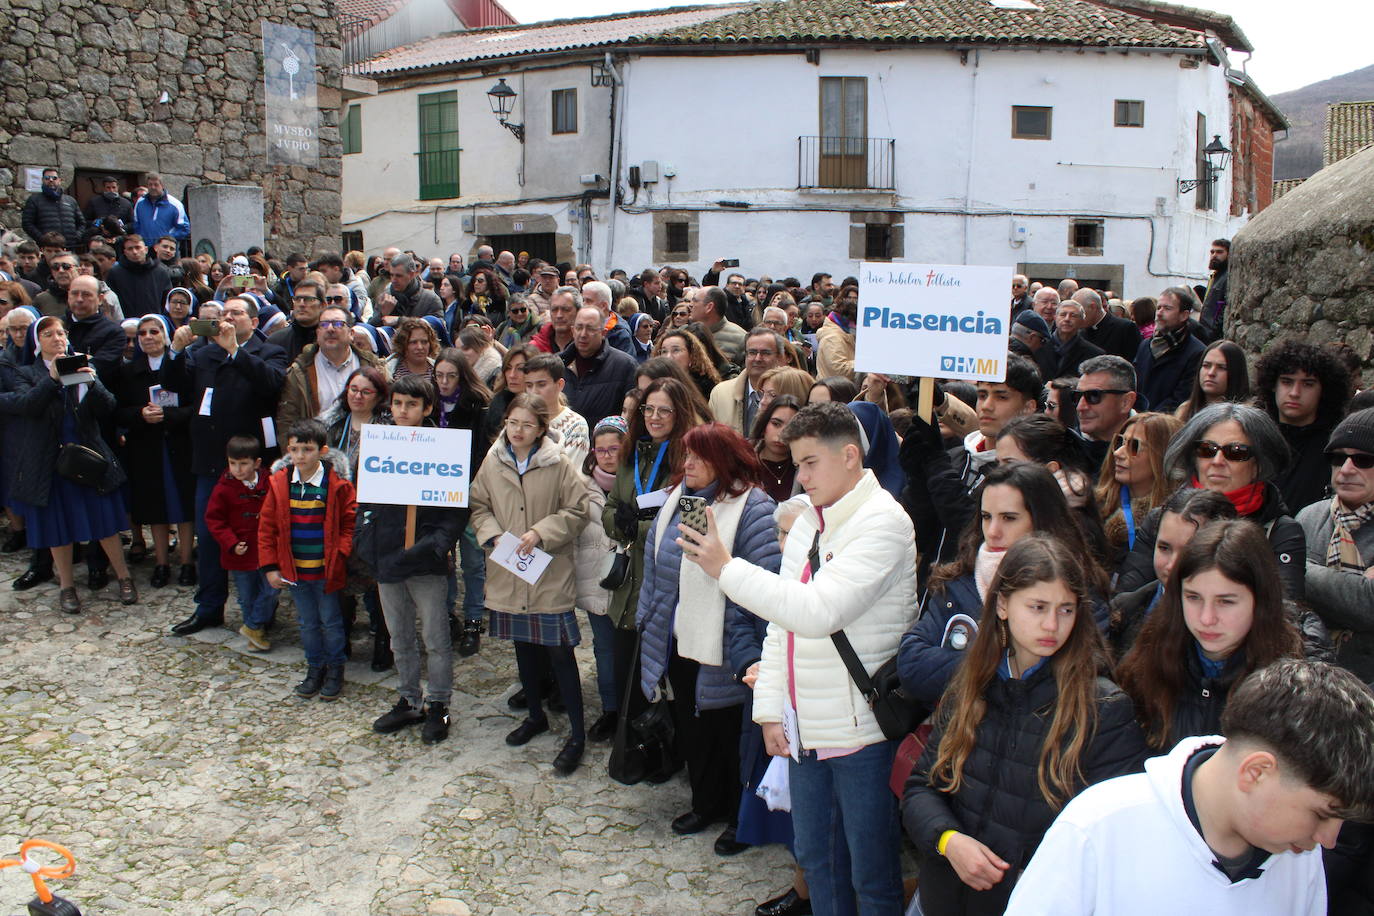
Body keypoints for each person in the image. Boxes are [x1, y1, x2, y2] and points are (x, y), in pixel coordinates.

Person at [676, 400, 917, 916]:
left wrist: (726, 568)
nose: (799, 475)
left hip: (862, 730)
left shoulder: (884, 523)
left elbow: (817, 611)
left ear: (850, 456)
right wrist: (769, 709)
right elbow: (780, 627)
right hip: (807, 725)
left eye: (810, 462)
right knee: (817, 858)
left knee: (871, 873)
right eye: (798, 463)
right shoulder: (808, 520)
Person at [1005, 658, 1374, 916]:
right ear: (1256, 772)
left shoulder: (1301, 858)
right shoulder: (1097, 828)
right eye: (1323, 814)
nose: (1328, 840)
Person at [902, 535, 1147, 916]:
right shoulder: (971, 683)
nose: (1052, 624)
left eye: (1066, 610)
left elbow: (1112, 839)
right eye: (1037, 607)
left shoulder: (1103, 709)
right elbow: (921, 788)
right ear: (1002, 604)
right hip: (942, 898)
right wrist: (949, 841)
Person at [637, 423, 781, 854]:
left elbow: (762, 583)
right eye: (687, 455)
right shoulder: (678, 500)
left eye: (699, 457)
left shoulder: (753, 508)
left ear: (723, 460)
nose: (688, 464)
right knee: (692, 728)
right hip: (679, 636)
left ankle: (739, 818)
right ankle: (705, 802)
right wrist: (650, 618)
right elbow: (658, 567)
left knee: (730, 737)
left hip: (726, 646)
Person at [898, 462, 1109, 710]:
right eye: (987, 517)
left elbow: (1074, 673)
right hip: (958, 734)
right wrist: (1000, 663)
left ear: (1042, 520)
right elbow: (912, 665)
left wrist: (972, 664)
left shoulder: (1079, 591)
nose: (993, 531)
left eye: (1009, 518)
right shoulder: (959, 581)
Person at [470, 393, 592, 773]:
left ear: (542, 428)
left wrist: (541, 532)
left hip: (549, 573)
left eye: (527, 424)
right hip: (510, 571)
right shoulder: (493, 460)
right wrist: (491, 535)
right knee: (523, 649)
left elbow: (579, 508)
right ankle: (536, 714)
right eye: (512, 423)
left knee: (560, 652)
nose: (518, 431)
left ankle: (577, 734)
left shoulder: (557, 464)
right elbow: (479, 505)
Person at [1117, 520, 1310, 750]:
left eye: (1226, 601)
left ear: (1261, 600)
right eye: (1193, 598)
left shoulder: (1301, 678)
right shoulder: (1148, 658)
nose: (1207, 618)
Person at [162, 296, 288, 636]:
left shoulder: (268, 351)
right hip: (212, 461)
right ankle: (209, 606)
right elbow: (175, 387)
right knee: (211, 533)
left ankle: (262, 609)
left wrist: (235, 351)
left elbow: (272, 385)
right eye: (223, 313)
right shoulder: (204, 353)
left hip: (253, 464)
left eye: (236, 313)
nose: (227, 318)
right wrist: (174, 351)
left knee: (259, 536)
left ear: (253, 320)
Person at [361, 376, 466, 744]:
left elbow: (455, 511)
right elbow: (364, 502)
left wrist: (434, 546)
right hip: (387, 559)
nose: (403, 411)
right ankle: (408, 697)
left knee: (436, 638)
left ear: (425, 408)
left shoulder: (443, 447)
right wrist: (366, 543)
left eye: (411, 405)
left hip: (426, 562)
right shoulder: (379, 443)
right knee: (399, 637)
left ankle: (439, 703)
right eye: (398, 403)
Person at [6, 316, 136, 613]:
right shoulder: (27, 372)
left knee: (104, 523)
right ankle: (66, 585)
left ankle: (124, 577)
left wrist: (92, 382)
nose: (57, 338)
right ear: (37, 341)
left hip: (88, 455)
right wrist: (52, 380)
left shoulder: (81, 366)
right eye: (48, 333)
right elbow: (28, 405)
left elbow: (108, 407)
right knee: (57, 528)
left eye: (61, 332)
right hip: (50, 460)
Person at [1118, 403, 1306, 600]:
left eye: (1235, 451)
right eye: (1207, 449)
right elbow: (1126, 601)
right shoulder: (1161, 518)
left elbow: (1286, 611)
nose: (1217, 461)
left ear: (1259, 465)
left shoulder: (1280, 532)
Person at [602, 377, 701, 742]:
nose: (654, 417)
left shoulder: (691, 457)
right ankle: (636, 743)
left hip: (667, 589)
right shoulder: (632, 452)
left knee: (666, 676)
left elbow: (692, 528)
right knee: (628, 670)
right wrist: (620, 523)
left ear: (680, 413)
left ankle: (668, 749)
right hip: (629, 587)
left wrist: (640, 529)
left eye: (664, 410)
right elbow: (611, 508)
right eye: (649, 409)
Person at [258, 418, 357, 701]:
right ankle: (315, 668)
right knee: (308, 623)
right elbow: (267, 527)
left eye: (307, 449)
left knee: (331, 621)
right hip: (295, 571)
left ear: (322, 451)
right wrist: (270, 566)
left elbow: (350, 523)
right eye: (295, 450)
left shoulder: (336, 485)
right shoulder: (279, 483)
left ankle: (336, 668)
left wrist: (340, 552)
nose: (300, 456)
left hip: (326, 571)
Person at [1107, 487, 1237, 658]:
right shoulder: (1122, 611)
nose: (1172, 565)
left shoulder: (1243, 627)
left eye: (1188, 551)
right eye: (1164, 548)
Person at [115, 313, 195, 588]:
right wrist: (140, 414)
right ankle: (160, 562)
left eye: (154, 331)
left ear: (165, 334)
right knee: (155, 507)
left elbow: (193, 407)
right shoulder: (128, 371)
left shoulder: (183, 364)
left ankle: (186, 561)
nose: (148, 337)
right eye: (143, 333)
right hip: (146, 447)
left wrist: (168, 416)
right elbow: (119, 411)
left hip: (177, 444)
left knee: (183, 506)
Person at [1296, 407, 1374, 682]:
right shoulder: (1310, 516)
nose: (1347, 469)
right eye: (1338, 458)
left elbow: (1368, 606)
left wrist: (1295, 565)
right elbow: (1289, 600)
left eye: (1363, 460)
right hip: (1310, 676)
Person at [1254, 339, 1351, 515]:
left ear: (1324, 389)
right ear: (1273, 385)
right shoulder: (1253, 435)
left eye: (1307, 384)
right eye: (1287, 381)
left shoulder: (1336, 446)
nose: (1294, 393)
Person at [578, 416, 627, 742]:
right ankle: (611, 708)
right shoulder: (580, 485)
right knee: (605, 648)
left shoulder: (641, 481)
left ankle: (630, 707)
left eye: (614, 448)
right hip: (595, 575)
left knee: (629, 647)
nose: (608, 456)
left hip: (628, 579)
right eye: (601, 450)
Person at [204, 435, 277, 652]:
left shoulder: (270, 482)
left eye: (243, 463)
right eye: (232, 463)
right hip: (239, 553)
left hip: (266, 550)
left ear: (256, 463)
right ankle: (255, 634)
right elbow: (214, 520)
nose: (237, 469)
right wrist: (231, 542)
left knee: (272, 590)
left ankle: (253, 625)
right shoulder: (223, 488)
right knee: (247, 596)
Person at [276, 305, 384, 432]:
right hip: (316, 447)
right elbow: (287, 419)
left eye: (338, 324)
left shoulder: (372, 365)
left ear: (351, 333)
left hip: (362, 446)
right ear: (317, 333)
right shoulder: (299, 371)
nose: (330, 329)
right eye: (324, 325)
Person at [1093, 412, 1182, 566]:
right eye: (1119, 442)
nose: (1117, 453)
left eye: (1134, 446)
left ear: (1163, 455)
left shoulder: (1178, 520)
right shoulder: (1092, 507)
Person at [560, 305, 639, 429]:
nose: (583, 334)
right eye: (579, 328)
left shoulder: (625, 366)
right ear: (572, 330)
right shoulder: (558, 365)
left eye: (590, 329)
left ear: (603, 333)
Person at [1133, 287, 1206, 413]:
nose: (1159, 313)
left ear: (1184, 315)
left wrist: (1151, 419)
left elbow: (1182, 397)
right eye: (1158, 307)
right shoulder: (1145, 345)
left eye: (1167, 308)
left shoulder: (1197, 352)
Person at [710, 328, 786, 436]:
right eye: (752, 352)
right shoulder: (720, 394)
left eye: (765, 353)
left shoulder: (791, 391)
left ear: (779, 357)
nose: (758, 358)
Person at [523, 352, 589, 467]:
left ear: (559, 384)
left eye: (541, 384)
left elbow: (568, 472)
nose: (534, 392)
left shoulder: (576, 425)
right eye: (529, 385)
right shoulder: (519, 418)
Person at [1073, 355, 1139, 468]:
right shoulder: (1063, 446)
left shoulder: (1155, 453)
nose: (1080, 407)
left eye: (1093, 396)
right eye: (1077, 396)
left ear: (1126, 402)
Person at [1176, 339, 1251, 423]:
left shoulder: (1246, 419)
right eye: (1206, 365)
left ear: (1235, 373)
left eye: (1221, 367)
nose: (1211, 373)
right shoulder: (1185, 411)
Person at [104, 234, 172, 319]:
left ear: (146, 249)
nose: (135, 252)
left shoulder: (160, 272)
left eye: (138, 247)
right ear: (125, 252)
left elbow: (167, 301)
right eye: (130, 249)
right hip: (126, 324)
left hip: (154, 323)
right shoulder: (115, 273)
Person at [750, 394, 803, 502]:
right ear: (764, 424)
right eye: (776, 424)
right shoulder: (743, 461)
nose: (782, 434)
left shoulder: (805, 466)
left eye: (791, 427)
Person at [22, 167, 85, 251]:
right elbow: (27, 223)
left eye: (54, 178)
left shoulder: (70, 200)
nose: (51, 180)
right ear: (42, 180)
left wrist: (76, 236)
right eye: (47, 178)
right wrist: (43, 239)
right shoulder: (34, 200)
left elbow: (82, 223)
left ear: (59, 180)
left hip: (70, 247)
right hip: (48, 249)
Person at [655, 329, 721, 402]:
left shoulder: (708, 388)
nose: (668, 356)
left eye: (676, 350)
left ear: (692, 355)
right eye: (664, 351)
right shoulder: (654, 383)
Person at [691, 287, 748, 365]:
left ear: (709, 307)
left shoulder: (741, 338)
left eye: (695, 301)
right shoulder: (686, 332)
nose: (690, 305)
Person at [1050, 299, 1106, 378]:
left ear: (1082, 321)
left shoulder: (1094, 354)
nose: (1067, 319)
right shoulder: (1038, 347)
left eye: (1073, 316)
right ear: (1055, 318)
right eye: (1063, 314)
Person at [130, 174, 189, 245]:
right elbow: (136, 224)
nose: (153, 187)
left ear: (162, 185)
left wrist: (167, 239)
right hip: (146, 248)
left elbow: (184, 229)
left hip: (167, 248)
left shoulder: (175, 204)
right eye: (150, 184)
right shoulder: (140, 202)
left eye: (156, 184)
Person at [815, 284, 858, 381]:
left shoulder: (845, 332)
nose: (853, 301)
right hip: (832, 391)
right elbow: (839, 369)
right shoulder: (833, 336)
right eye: (849, 298)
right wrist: (865, 363)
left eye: (856, 298)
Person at [1198, 238, 1230, 342]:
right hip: (1205, 332)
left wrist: (1213, 333)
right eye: (1212, 252)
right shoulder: (1215, 276)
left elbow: (1224, 307)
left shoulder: (1227, 277)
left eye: (1219, 252)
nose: (1214, 255)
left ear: (1229, 254)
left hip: (1212, 336)